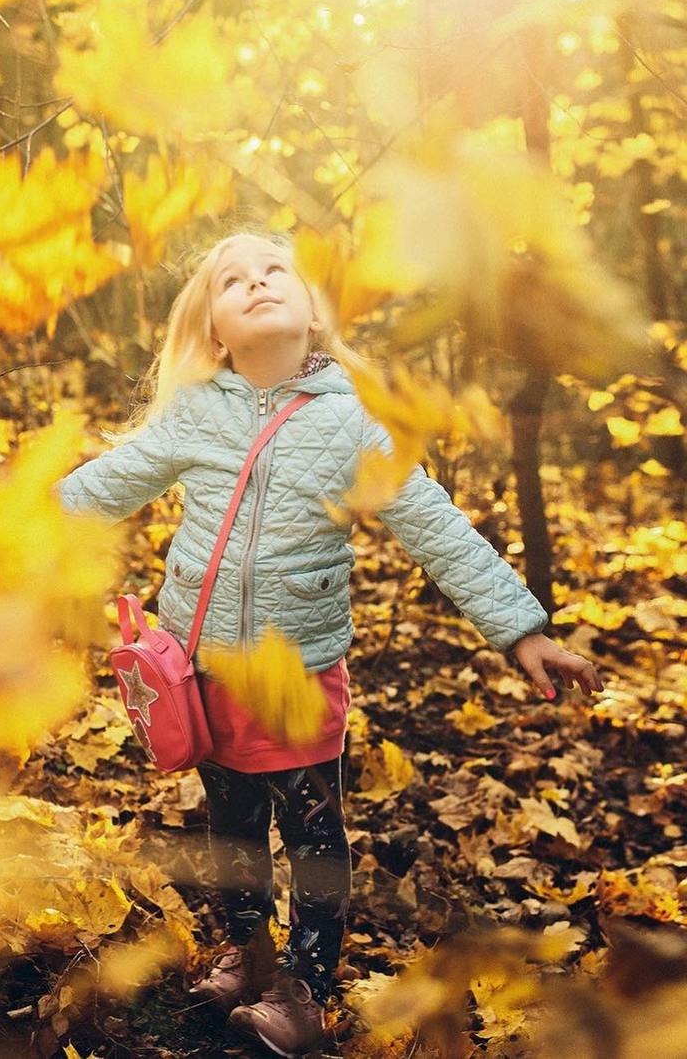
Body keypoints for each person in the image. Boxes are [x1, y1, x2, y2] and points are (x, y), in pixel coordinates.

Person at [54, 229, 604, 1056]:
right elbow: (102, 486)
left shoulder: (354, 424)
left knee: (311, 834)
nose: (258, 281)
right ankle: (249, 953)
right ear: (213, 328)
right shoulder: (194, 414)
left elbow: (437, 530)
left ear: (313, 312)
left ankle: (305, 991)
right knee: (231, 828)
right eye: (232, 279)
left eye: (276, 270)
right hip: (199, 672)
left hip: (297, 675)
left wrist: (521, 631)